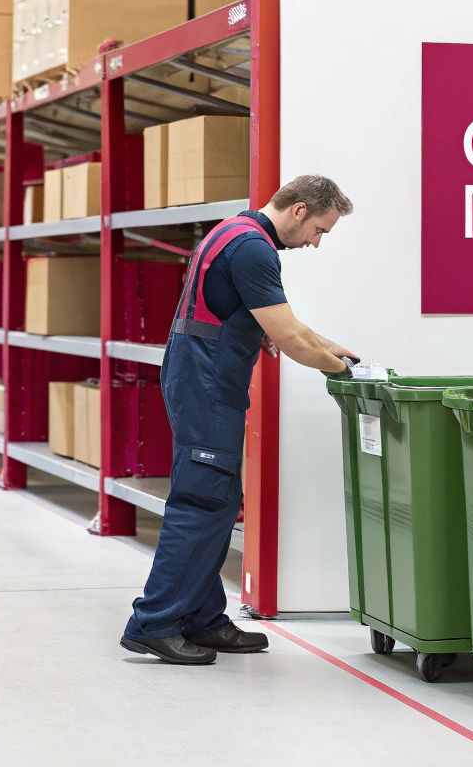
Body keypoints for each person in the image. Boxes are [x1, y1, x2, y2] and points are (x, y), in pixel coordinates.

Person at [120, 175, 359, 665]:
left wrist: (327, 345)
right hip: (207, 385)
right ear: (298, 211)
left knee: (220, 500)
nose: (315, 243)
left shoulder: (234, 230)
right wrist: (344, 372)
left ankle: (202, 619)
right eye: (319, 230)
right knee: (202, 502)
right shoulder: (254, 249)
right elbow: (290, 336)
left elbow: (260, 318)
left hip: (204, 380)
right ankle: (155, 621)